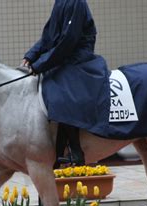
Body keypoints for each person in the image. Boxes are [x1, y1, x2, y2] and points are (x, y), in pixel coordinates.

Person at [22, 0, 110, 167]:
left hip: (78, 58)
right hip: (65, 57)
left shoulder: (76, 2)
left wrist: (40, 64)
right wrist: (31, 56)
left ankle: (76, 151)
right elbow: (48, 36)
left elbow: (67, 41)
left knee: (62, 89)